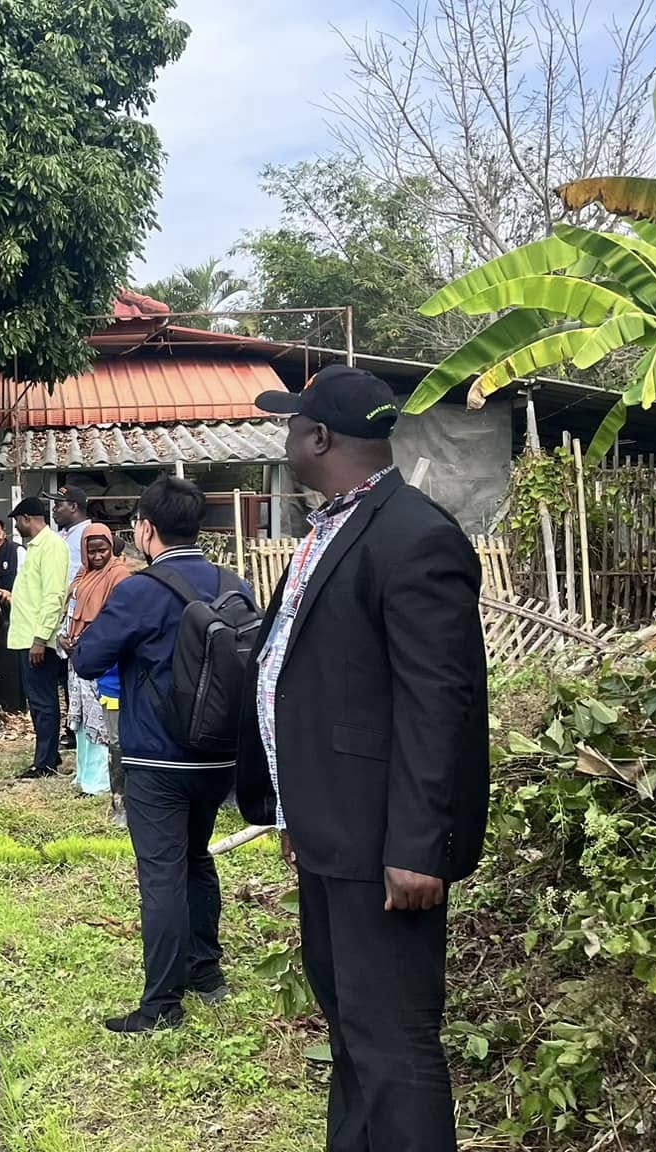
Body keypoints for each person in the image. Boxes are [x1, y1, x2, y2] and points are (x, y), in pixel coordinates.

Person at [241, 366, 488, 1150]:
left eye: (291, 426)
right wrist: (294, 810)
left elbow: (435, 704)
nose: (284, 439)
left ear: (320, 438)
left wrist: (417, 847)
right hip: (331, 830)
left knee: (394, 1043)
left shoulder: (413, 535)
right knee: (351, 1031)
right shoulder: (335, 527)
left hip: (385, 842)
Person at [72, 477, 248, 1033]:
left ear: (145, 528)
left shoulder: (141, 590)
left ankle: (162, 1006)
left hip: (158, 758)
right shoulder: (233, 583)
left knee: (162, 873)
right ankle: (206, 974)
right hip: (222, 757)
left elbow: (87, 659)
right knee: (197, 857)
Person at [61, 523, 130, 795]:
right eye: (91, 552)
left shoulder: (119, 575)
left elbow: (116, 618)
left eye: (102, 550)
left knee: (99, 721)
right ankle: (84, 774)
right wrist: (63, 637)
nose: (97, 557)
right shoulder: (82, 574)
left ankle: (100, 781)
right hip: (75, 653)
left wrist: (89, 641)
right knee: (80, 719)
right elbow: (71, 610)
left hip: (101, 660)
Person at [8, 497, 70, 778]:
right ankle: (49, 755)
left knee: (44, 703)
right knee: (38, 702)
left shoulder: (52, 546)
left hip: (37, 640)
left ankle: (44, 762)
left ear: (28, 519)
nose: (17, 526)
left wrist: (40, 639)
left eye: (18, 521)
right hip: (27, 637)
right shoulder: (34, 548)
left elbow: (54, 596)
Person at [0, 518, 26, 713]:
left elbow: (27, 583)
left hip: (15, 613)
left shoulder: (18, 551)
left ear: (4, 533)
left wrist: (13, 596)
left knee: (13, 661)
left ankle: (16, 705)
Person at [49, 485, 94, 582]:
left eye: (58, 505)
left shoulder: (90, 535)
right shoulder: (59, 535)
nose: (54, 509)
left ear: (73, 507)